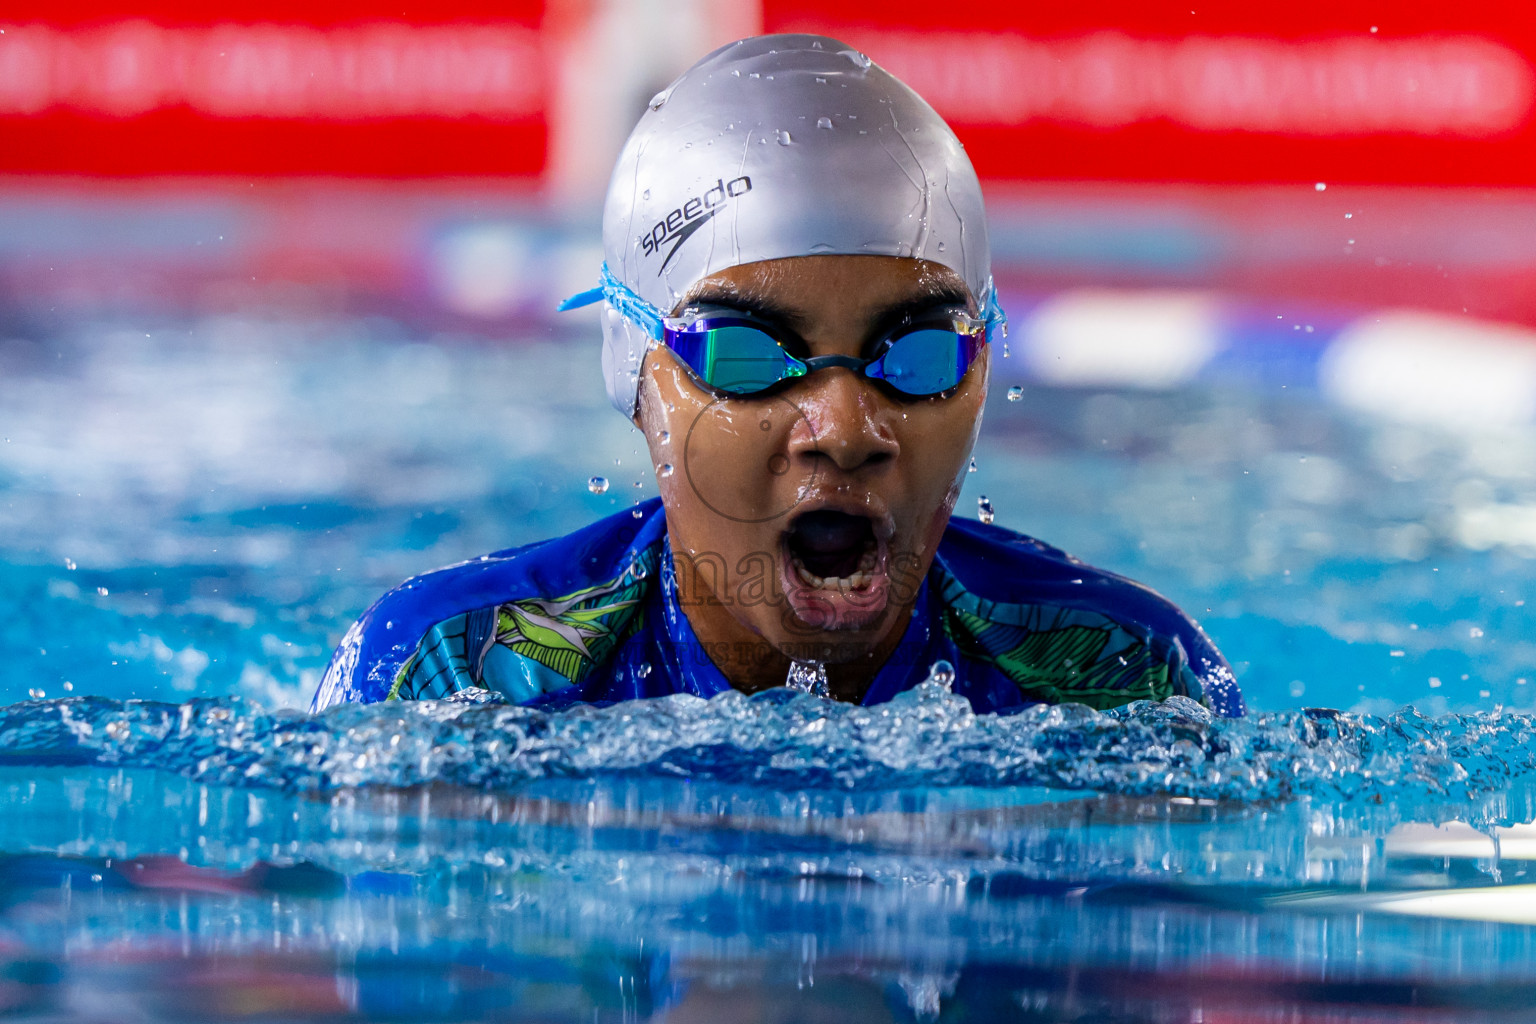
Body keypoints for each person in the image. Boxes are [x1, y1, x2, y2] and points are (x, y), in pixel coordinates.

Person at [310, 34, 1243, 717]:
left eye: (916, 354)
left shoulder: (1132, 682)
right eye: (746, 355)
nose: (845, 425)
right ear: (639, 380)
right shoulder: (451, 676)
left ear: (983, 368)